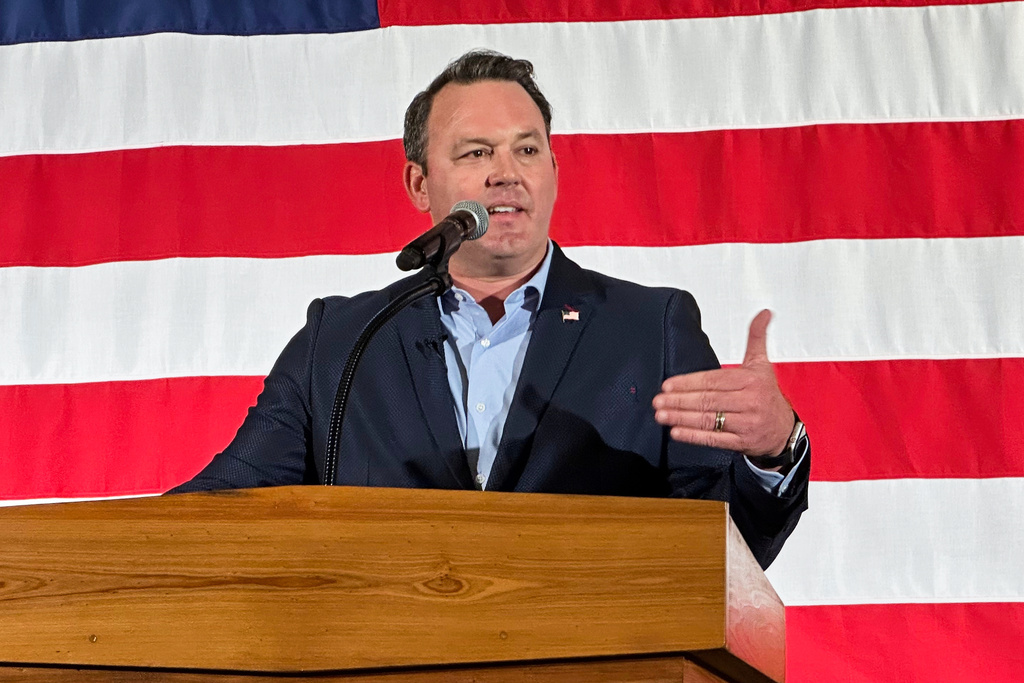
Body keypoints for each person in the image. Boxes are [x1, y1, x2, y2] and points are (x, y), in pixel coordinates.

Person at [170, 50, 809, 569]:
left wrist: (775, 451)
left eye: (527, 150)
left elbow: (728, 553)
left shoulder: (650, 328)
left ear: (554, 170)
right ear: (420, 184)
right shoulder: (341, 338)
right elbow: (224, 508)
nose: (507, 173)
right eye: (477, 153)